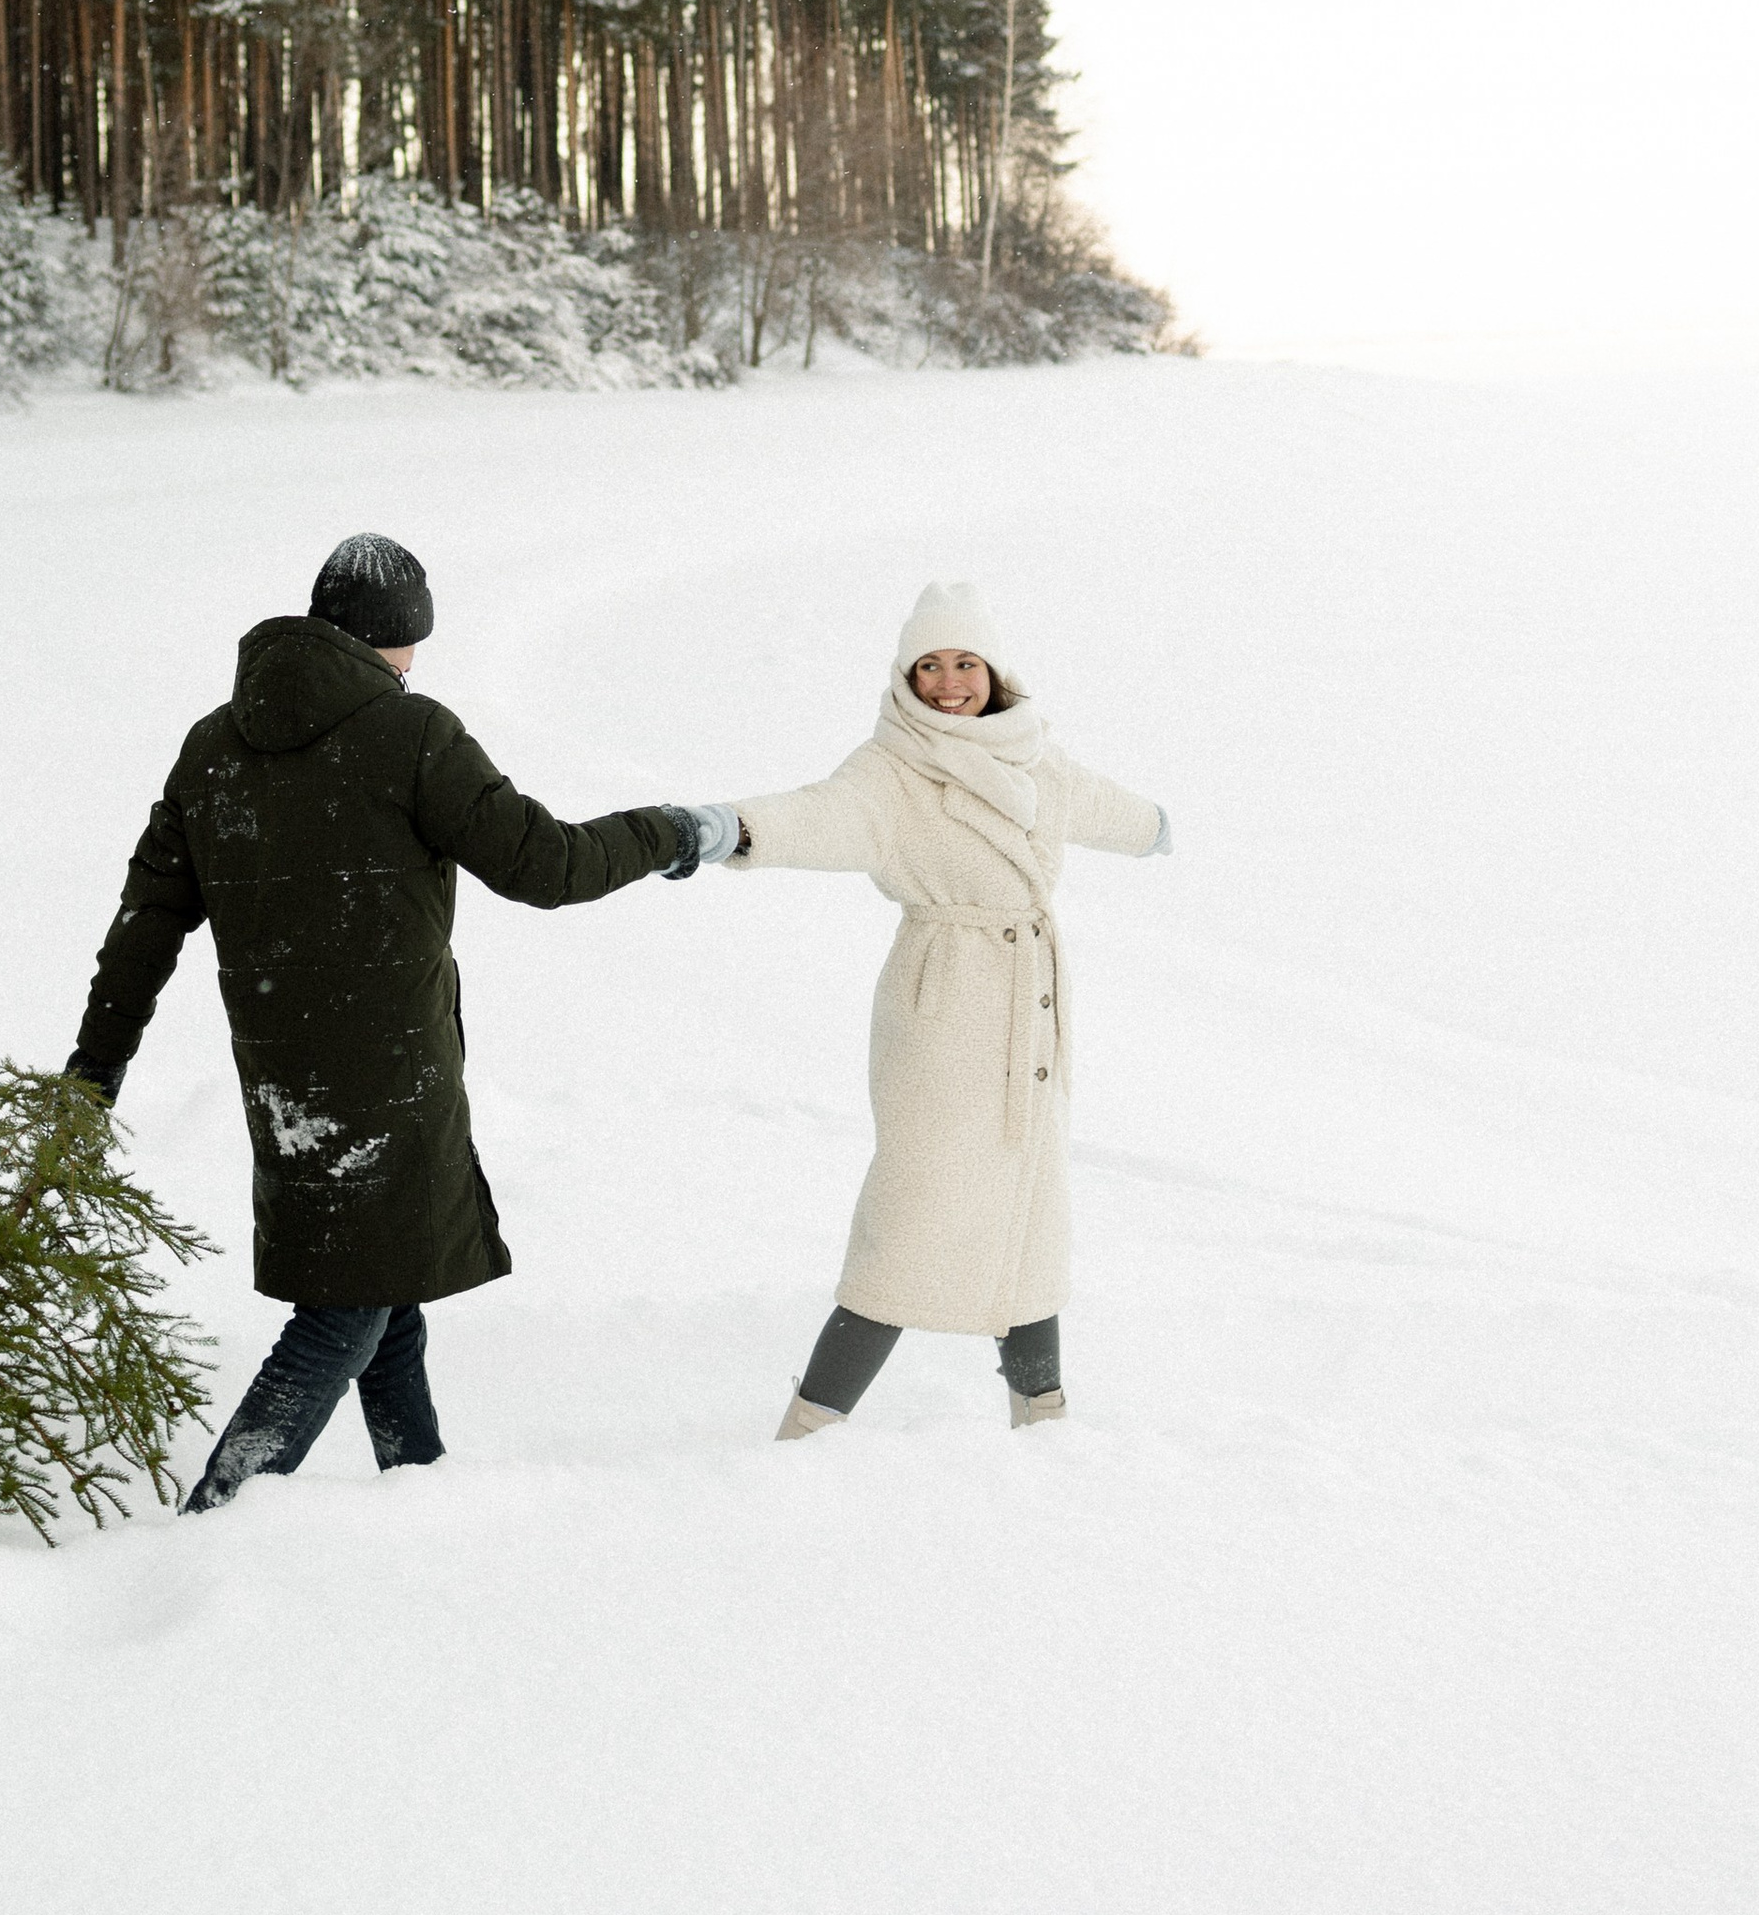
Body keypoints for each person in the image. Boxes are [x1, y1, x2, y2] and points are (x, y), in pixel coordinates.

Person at [65, 531, 701, 1507]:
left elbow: (147, 922)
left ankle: (419, 1486)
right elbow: (546, 865)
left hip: (282, 1077)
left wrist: (92, 1071)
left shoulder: (212, 745)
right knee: (345, 1308)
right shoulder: (410, 733)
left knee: (382, 1285)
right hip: (386, 1079)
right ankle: (214, 1516)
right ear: (396, 639)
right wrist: (668, 832)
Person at [673, 576, 1168, 1438]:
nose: (947, 683)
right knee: (913, 1217)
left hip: (1031, 1010)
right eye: (928, 665)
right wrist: (734, 829)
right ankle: (809, 1427)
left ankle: (1041, 1419)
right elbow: (825, 817)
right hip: (944, 1011)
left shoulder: (1033, 755)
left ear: (994, 671)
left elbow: (1092, 802)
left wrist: (1153, 824)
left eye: (964, 662)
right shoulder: (892, 769)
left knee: (1027, 1218)